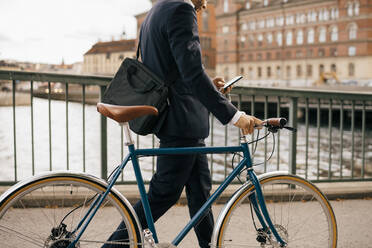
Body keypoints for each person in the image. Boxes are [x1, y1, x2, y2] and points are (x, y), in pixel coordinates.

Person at [103, 0, 263, 247]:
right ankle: (113, 245)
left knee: (201, 195)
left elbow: (173, 68)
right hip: (180, 122)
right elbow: (191, 73)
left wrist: (211, 86)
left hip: (181, 120)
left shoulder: (156, 10)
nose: (207, 5)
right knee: (162, 195)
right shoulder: (181, 9)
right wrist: (235, 116)